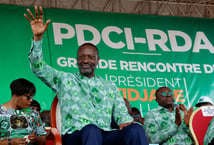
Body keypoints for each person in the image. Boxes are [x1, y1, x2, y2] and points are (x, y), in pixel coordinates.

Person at [24, 6, 149, 145]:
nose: (85, 60)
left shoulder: (109, 86)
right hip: (75, 136)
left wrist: (126, 122)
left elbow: (121, 114)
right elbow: (38, 67)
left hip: (105, 134)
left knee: (135, 129)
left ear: (97, 61)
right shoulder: (64, 80)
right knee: (91, 130)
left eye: (90, 57)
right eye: (81, 57)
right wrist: (38, 38)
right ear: (77, 60)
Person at [0, 78, 47, 145]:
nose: (31, 100)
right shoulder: (1, 112)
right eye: (28, 97)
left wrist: (36, 139)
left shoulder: (34, 113)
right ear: (16, 95)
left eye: (32, 97)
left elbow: (43, 140)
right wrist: (10, 142)